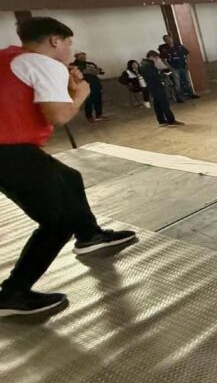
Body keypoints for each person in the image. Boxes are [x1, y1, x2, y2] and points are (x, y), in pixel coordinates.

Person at [0, 17, 136, 317]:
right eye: (69, 43)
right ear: (54, 41)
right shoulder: (43, 63)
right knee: (57, 222)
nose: (71, 49)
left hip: (14, 150)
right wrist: (80, 94)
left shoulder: (8, 58)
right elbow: (58, 116)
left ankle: (89, 235)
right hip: (11, 152)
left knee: (70, 177)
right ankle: (13, 293)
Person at [140, 50, 184, 127]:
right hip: (156, 87)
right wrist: (163, 75)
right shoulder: (147, 66)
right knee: (164, 104)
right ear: (151, 57)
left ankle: (161, 121)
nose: (157, 60)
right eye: (156, 58)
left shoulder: (144, 64)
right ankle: (171, 121)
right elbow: (153, 76)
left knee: (157, 105)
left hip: (152, 87)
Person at [158, 34, 199, 100]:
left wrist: (187, 63)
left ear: (171, 38)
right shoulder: (164, 49)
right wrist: (170, 67)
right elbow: (163, 59)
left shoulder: (178, 45)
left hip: (183, 66)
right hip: (174, 68)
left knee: (187, 81)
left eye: (169, 38)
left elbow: (187, 53)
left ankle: (191, 94)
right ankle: (179, 97)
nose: (169, 40)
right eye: (167, 40)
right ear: (165, 41)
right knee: (177, 83)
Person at [72, 51, 105, 122]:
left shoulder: (90, 64)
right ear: (76, 57)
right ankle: (89, 117)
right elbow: (76, 72)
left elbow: (100, 71)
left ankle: (99, 115)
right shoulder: (73, 65)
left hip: (95, 84)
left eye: (84, 56)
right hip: (85, 85)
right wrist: (89, 71)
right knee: (88, 101)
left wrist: (95, 71)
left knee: (98, 100)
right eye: (81, 56)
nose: (83, 58)